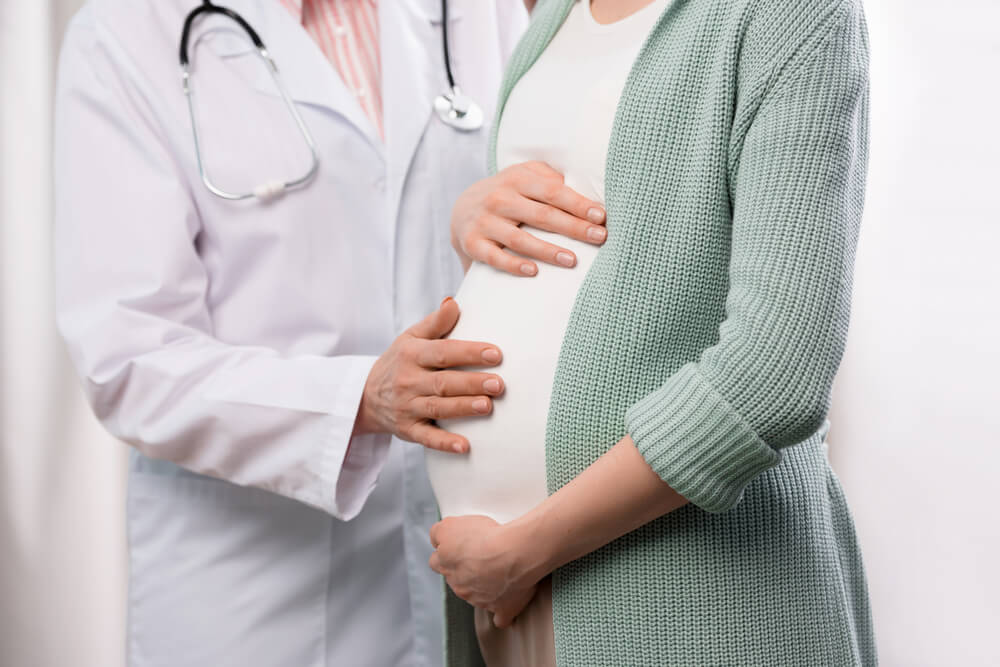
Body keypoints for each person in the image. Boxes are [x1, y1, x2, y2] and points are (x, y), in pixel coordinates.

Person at [53, 1, 610, 665]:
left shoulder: (475, 9)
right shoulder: (123, 34)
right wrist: (360, 397)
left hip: (478, 555)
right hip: (253, 589)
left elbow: (563, 200)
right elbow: (130, 358)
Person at [427, 0, 876, 665]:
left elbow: (777, 372)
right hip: (510, 604)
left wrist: (527, 548)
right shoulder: (553, 15)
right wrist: (472, 217)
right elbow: (595, 261)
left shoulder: (791, 13)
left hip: (687, 599)